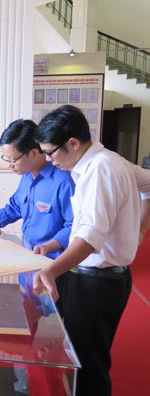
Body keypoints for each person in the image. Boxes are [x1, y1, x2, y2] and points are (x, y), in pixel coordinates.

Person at [33, 104, 150, 396]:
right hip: (98, 277)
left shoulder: (102, 169)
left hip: (98, 281)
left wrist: (52, 268)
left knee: (87, 365)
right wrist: (138, 229)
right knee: (82, 354)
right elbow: (148, 182)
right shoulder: (103, 160)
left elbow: (89, 238)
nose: (48, 160)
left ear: (73, 143)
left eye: (50, 152)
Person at [0, 119, 75, 314]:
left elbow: (73, 226)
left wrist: (49, 245)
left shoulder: (62, 182)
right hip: (27, 261)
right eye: (7, 159)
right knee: (28, 313)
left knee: (49, 322)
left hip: (51, 268)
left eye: (13, 159)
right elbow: (13, 209)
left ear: (34, 153)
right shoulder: (27, 178)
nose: (10, 165)